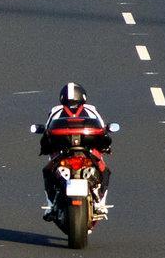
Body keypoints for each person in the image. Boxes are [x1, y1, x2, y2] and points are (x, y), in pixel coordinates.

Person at [36, 81, 113, 220]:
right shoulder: (90, 109)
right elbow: (103, 128)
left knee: (103, 170)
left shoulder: (56, 110)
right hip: (75, 151)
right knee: (104, 170)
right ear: (82, 96)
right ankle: (100, 203)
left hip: (75, 151)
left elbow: (46, 131)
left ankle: (51, 205)